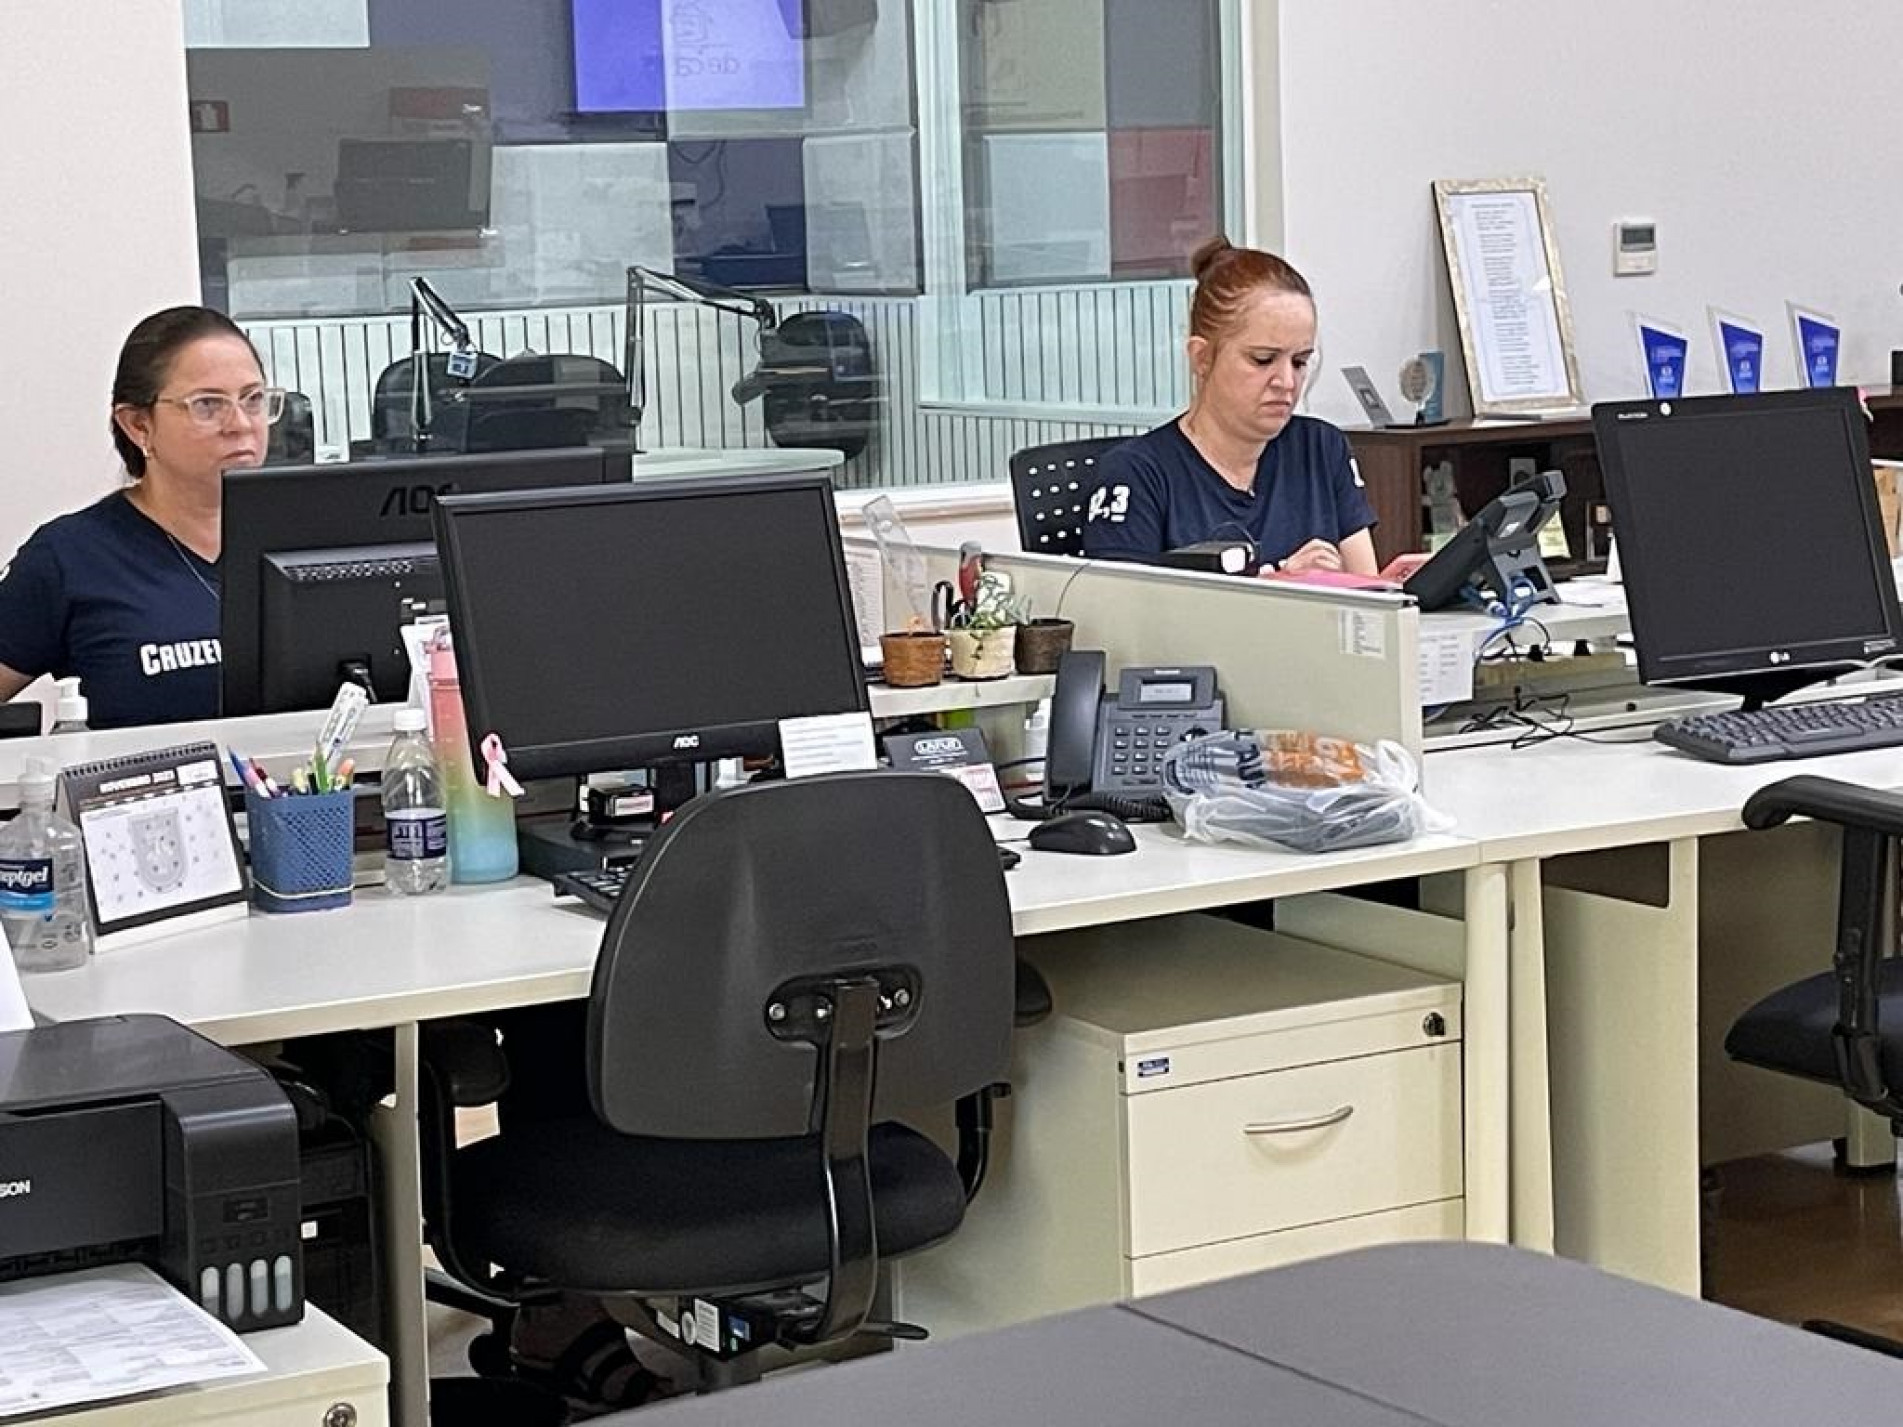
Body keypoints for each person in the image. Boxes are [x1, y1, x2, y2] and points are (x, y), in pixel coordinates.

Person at [0, 306, 280, 729]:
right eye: (208, 405)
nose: (241, 424)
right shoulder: (70, 556)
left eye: (253, 399)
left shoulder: (308, 538)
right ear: (138, 425)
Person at [1081, 237, 1378, 577]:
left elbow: (1371, 588)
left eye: (1299, 362)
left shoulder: (1321, 449)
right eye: (1262, 359)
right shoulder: (1137, 475)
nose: (1286, 382)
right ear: (1202, 358)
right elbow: (1120, 606)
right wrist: (1281, 584)